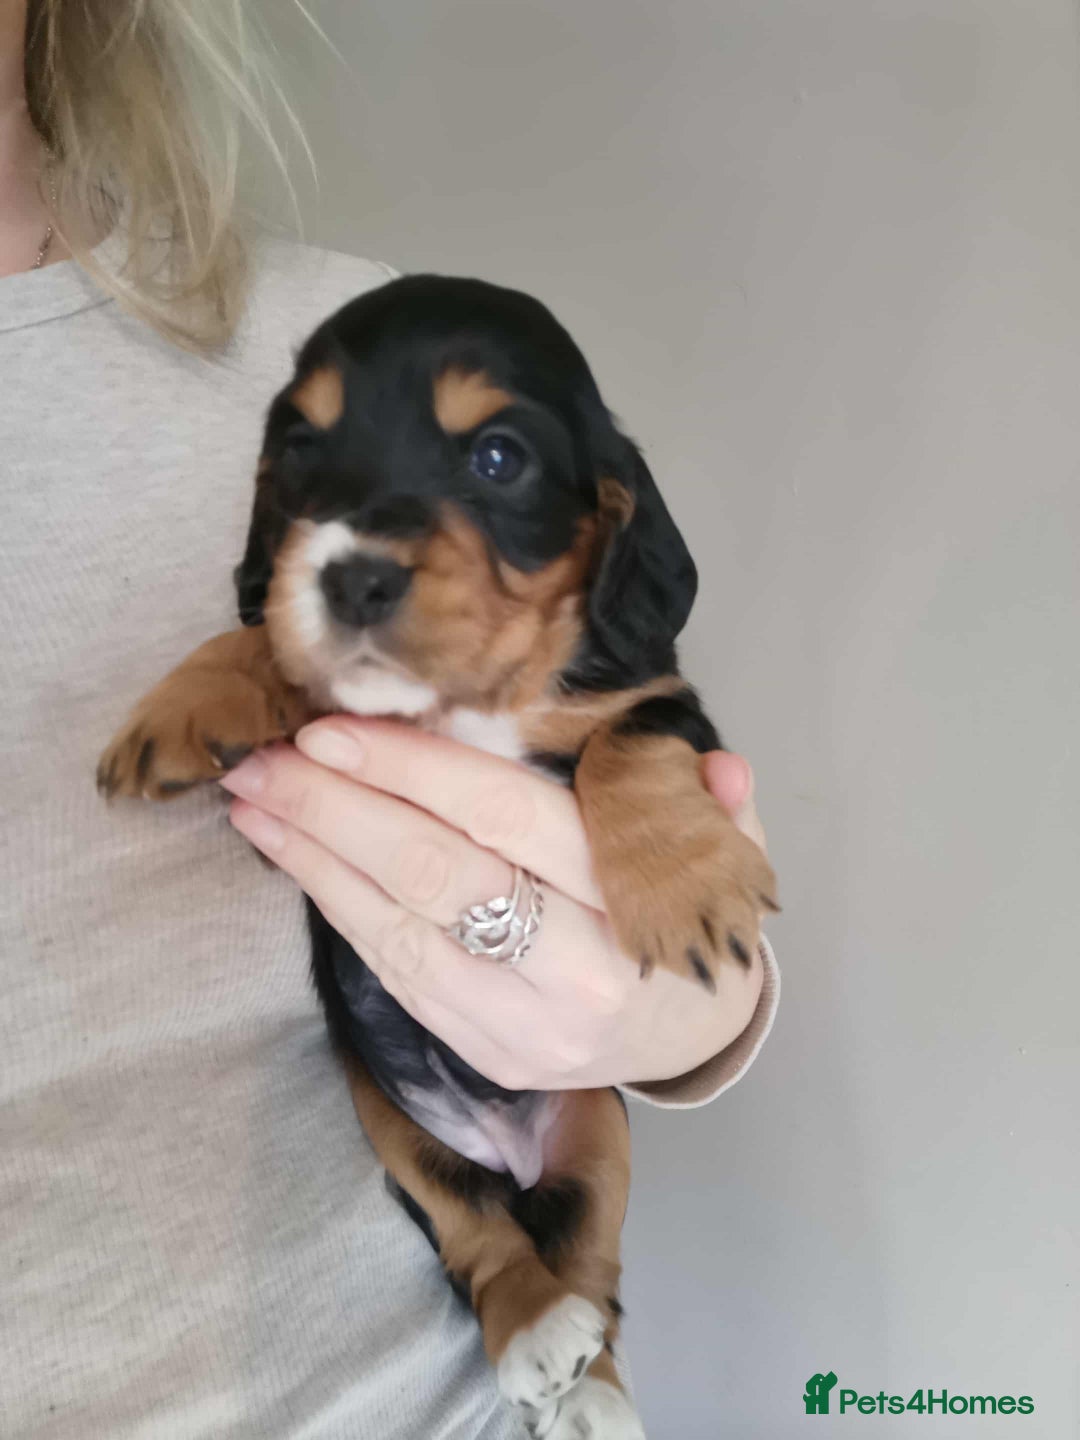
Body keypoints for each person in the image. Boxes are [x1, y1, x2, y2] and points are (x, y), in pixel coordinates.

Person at [0, 3, 779, 1436]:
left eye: (485, 453)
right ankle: (511, 1278)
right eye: (316, 463)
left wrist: (683, 1010)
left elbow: (652, 760)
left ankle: (568, 1315)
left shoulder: (318, 332)